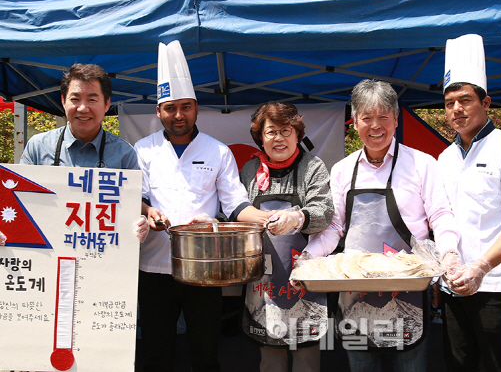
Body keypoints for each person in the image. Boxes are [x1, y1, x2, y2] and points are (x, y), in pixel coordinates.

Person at [134, 40, 273, 372]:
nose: (178, 115)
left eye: (185, 107)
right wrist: (147, 211)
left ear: (196, 108)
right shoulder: (142, 149)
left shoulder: (218, 151)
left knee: (205, 352)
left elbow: (237, 203)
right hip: (153, 266)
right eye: (170, 108)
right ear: (158, 111)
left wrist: (269, 218)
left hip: (204, 270)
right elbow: (135, 197)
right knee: (155, 352)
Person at [303, 79, 460, 372]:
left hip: (409, 285)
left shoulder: (422, 164)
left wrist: (449, 254)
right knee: (362, 364)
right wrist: (309, 259)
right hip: (354, 287)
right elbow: (334, 227)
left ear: (396, 120)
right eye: (367, 118)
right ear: (354, 122)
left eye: (383, 117)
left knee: (410, 363)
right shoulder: (342, 170)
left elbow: (440, 215)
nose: (375, 126)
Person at [0, 63, 148, 245]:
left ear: (107, 104)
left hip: (101, 259)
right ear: (63, 101)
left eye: (92, 100)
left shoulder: (124, 153)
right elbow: (18, 202)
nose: (83, 108)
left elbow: (131, 209)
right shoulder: (38, 147)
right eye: (75, 99)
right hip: (47, 255)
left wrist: (140, 225)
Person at [238, 101, 334, 372]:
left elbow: (324, 211)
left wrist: (296, 217)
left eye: (286, 131)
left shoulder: (312, 166)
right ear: (260, 137)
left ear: (297, 135)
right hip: (264, 281)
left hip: (303, 279)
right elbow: (234, 211)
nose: (278, 138)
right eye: (271, 132)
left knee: (305, 356)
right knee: (270, 357)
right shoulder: (249, 171)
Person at [438, 34, 501, 372]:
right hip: (453, 285)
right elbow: (442, 217)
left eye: (465, 100)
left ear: (486, 102)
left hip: (497, 284)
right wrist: (449, 259)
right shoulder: (444, 157)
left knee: (498, 364)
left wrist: (481, 266)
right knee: (459, 362)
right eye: (450, 102)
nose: (456, 109)